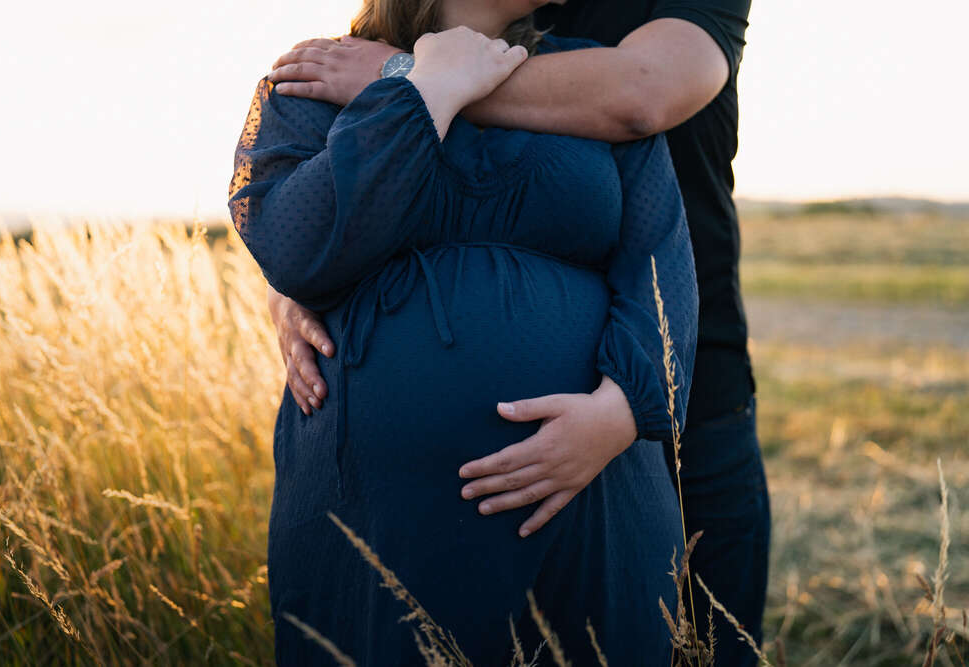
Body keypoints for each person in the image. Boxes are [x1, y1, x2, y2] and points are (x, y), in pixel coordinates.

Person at [267, 0, 769, 664]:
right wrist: (288, 280)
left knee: (704, 637)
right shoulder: (339, 62)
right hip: (384, 508)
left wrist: (412, 77)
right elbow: (295, 226)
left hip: (672, 409)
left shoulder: (599, 57)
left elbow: (640, 103)